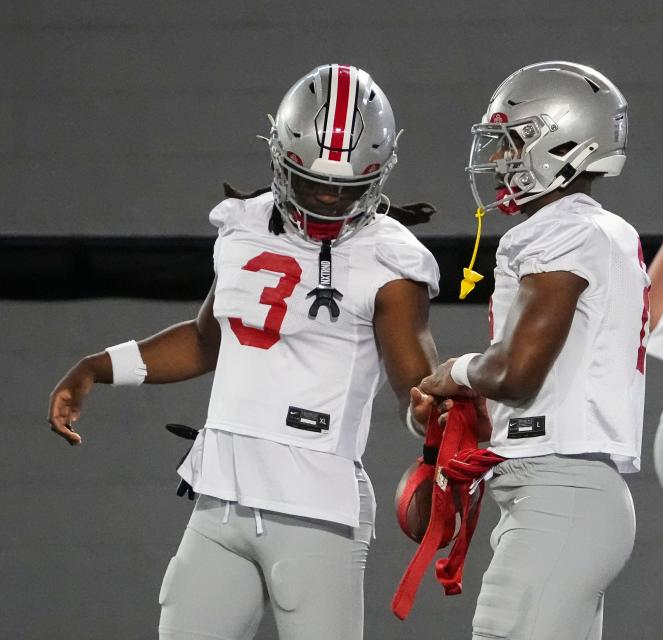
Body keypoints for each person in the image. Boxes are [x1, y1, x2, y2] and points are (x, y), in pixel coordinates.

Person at [46, 63, 440, 640]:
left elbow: (415, 382)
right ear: (281, 160)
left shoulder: (392, 257)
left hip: (316, 511)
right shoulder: (245, 224)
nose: (330, 200)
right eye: (313, 183)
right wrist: (97, 368)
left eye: (347, 187)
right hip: (220, 501)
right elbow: (208, 340)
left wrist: (431, 414)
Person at [418, 60, 648, 640]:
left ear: (562, 142)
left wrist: (457, 372)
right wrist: (472, 410)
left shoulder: (563, 230)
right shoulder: (592, 230)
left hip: (562, 493)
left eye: (512, 143)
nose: (498, 161)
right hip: (563, 492)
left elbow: (518, 373)